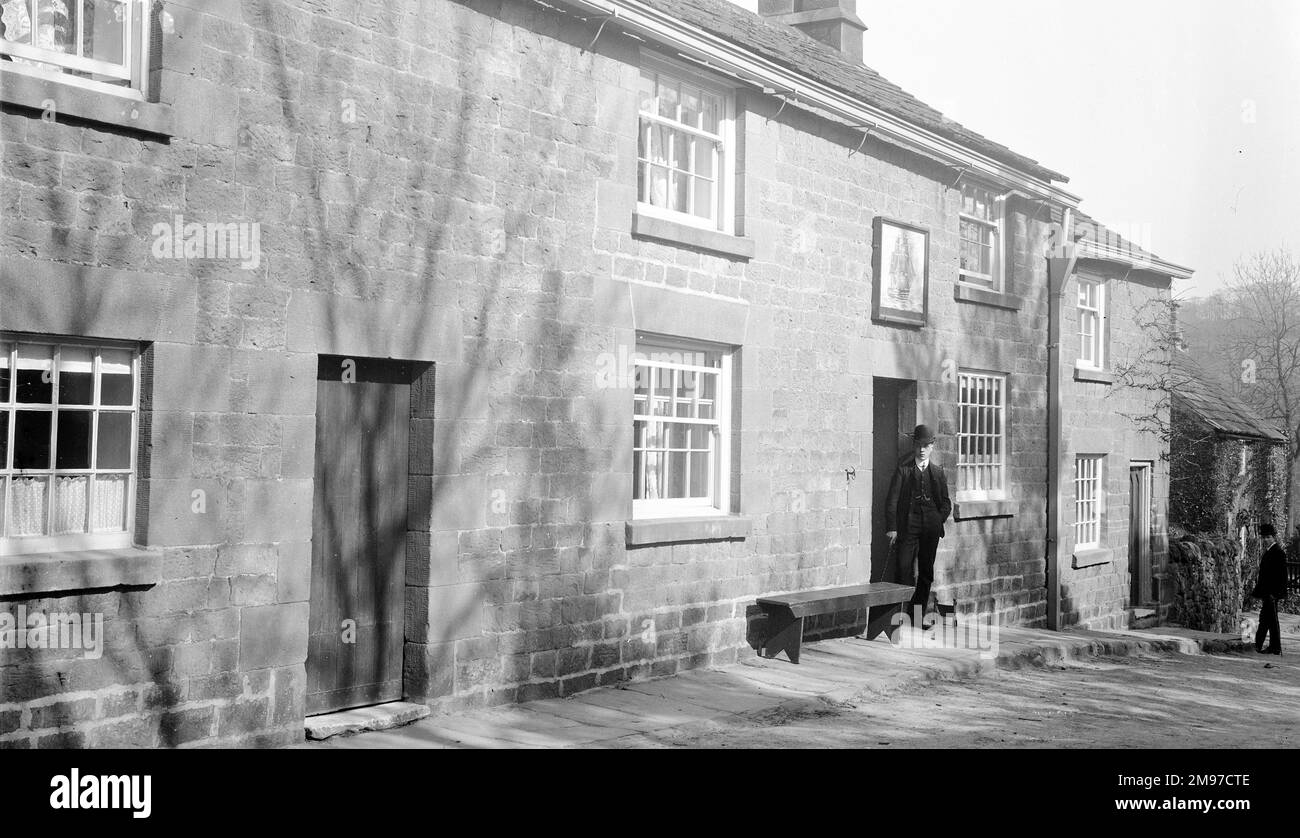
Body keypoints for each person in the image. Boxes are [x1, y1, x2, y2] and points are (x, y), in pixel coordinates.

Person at [884, 424, 952, 630]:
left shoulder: (938, 473)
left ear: (932, 446)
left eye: (926, 445)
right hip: (908, 526)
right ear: (914, 446)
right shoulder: (904, 470)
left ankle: (916, 616)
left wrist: (937, 519)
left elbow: (946, 503)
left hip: (930, 527)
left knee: (925, 572)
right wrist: (892, 528)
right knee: (903, 568)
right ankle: (898, 617)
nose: (922, 450)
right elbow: (892, 501)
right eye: (918, 445)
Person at [1252, 523, 1287, 655]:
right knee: (1266, 619)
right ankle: (1259, 644)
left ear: (1273, 537)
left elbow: (1281, 576)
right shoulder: (1269, 551)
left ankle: (1275, 647)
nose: (1265, 539)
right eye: (1264, 537)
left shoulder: (1278, 552)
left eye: (1268, 537)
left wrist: (1276, 594)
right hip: (1267, 592)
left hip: (1272, 593)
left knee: (1271, 620)